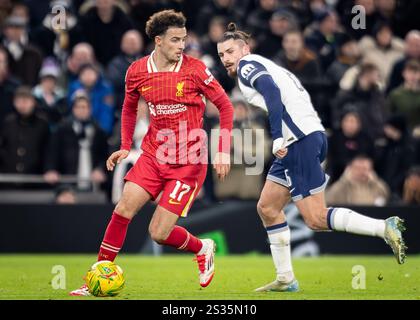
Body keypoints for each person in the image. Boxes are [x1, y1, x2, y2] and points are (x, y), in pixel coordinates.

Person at [216, 23, 407, 293]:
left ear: (244, 49)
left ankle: (382, 227)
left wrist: (278, 136)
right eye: (221, 54)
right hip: (306, 138)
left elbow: (271, 91)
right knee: (268, 208)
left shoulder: (247, 65)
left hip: (299, 142)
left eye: (230, 51)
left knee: (315, 219)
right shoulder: (264, 63)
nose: (225, 58)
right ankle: (285, 278)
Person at [70, 10, 233, 296]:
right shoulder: (137, 71)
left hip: (188, 162)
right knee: (122, 209)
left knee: (158, 233)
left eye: (184, 39)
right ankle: (94, 278)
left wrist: (222, 151)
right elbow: (129, 108)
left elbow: (226, 106)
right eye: (175, 40)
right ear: (158, 41)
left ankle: (202, 247)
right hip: (153, 154)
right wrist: (123, 146)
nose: (181, 45)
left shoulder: (195, 70)